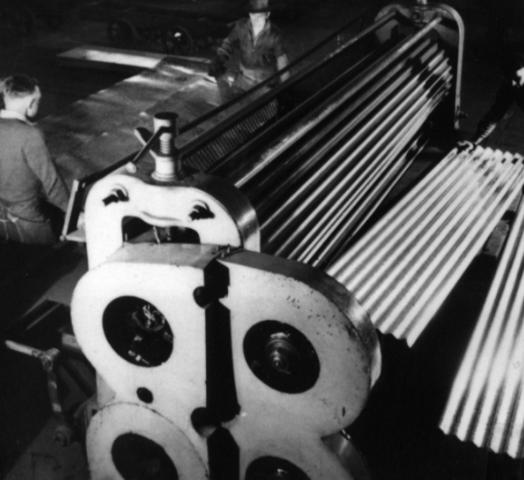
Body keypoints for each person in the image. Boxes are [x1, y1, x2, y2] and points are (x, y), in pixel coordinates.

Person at [0, 74, 69, 245]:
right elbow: (51, 183)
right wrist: (74, 213)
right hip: (28, 220)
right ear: (31, 103)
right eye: (38, 101)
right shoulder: (30, 134)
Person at [208, 0, 290, 100]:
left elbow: (282, 62)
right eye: (253, 15)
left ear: (267, 14)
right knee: (230, 103)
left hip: (265, 83)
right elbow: (229, 42)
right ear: (249, 14)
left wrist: (285, 87)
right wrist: (220, 58)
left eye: (260, 15)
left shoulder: (275, 35)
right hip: (243, 79)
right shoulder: (241, 27)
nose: (256, 19)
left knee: (264, 112)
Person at [474, 50, 524, 144]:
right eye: (509, 78)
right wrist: (474, 141)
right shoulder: (510, 86)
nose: (513, 83)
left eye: (517, 78)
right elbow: (494, 115)